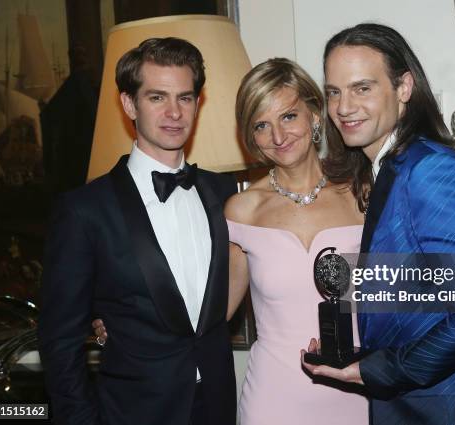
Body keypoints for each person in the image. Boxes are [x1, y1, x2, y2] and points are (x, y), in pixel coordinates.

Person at [94, 57, 369, 424]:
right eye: (261, 125)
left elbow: (399, 299)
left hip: (358, 389)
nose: (278, 136)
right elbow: (210, 313)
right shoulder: (241, 210)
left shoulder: (362, 196)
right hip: (275, 399)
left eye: (288, 116)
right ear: (250, 136)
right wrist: (124, 321)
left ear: (315, 115)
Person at [301, 23, 455, 425]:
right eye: (334, 91)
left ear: (403, 88)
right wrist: (360, 358)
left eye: (362, 88)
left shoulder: (430, 171)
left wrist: (382, 370)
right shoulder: (387, 171)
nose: (343, 107)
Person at [38, 37, 237, 425]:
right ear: (130, 104)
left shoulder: (223, 192)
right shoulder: (84, 211)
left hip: (217, 405)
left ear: (198, 102)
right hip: (133, 411)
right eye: (157, 97)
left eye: (185, 97)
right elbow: (59, 341)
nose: (174, 112)